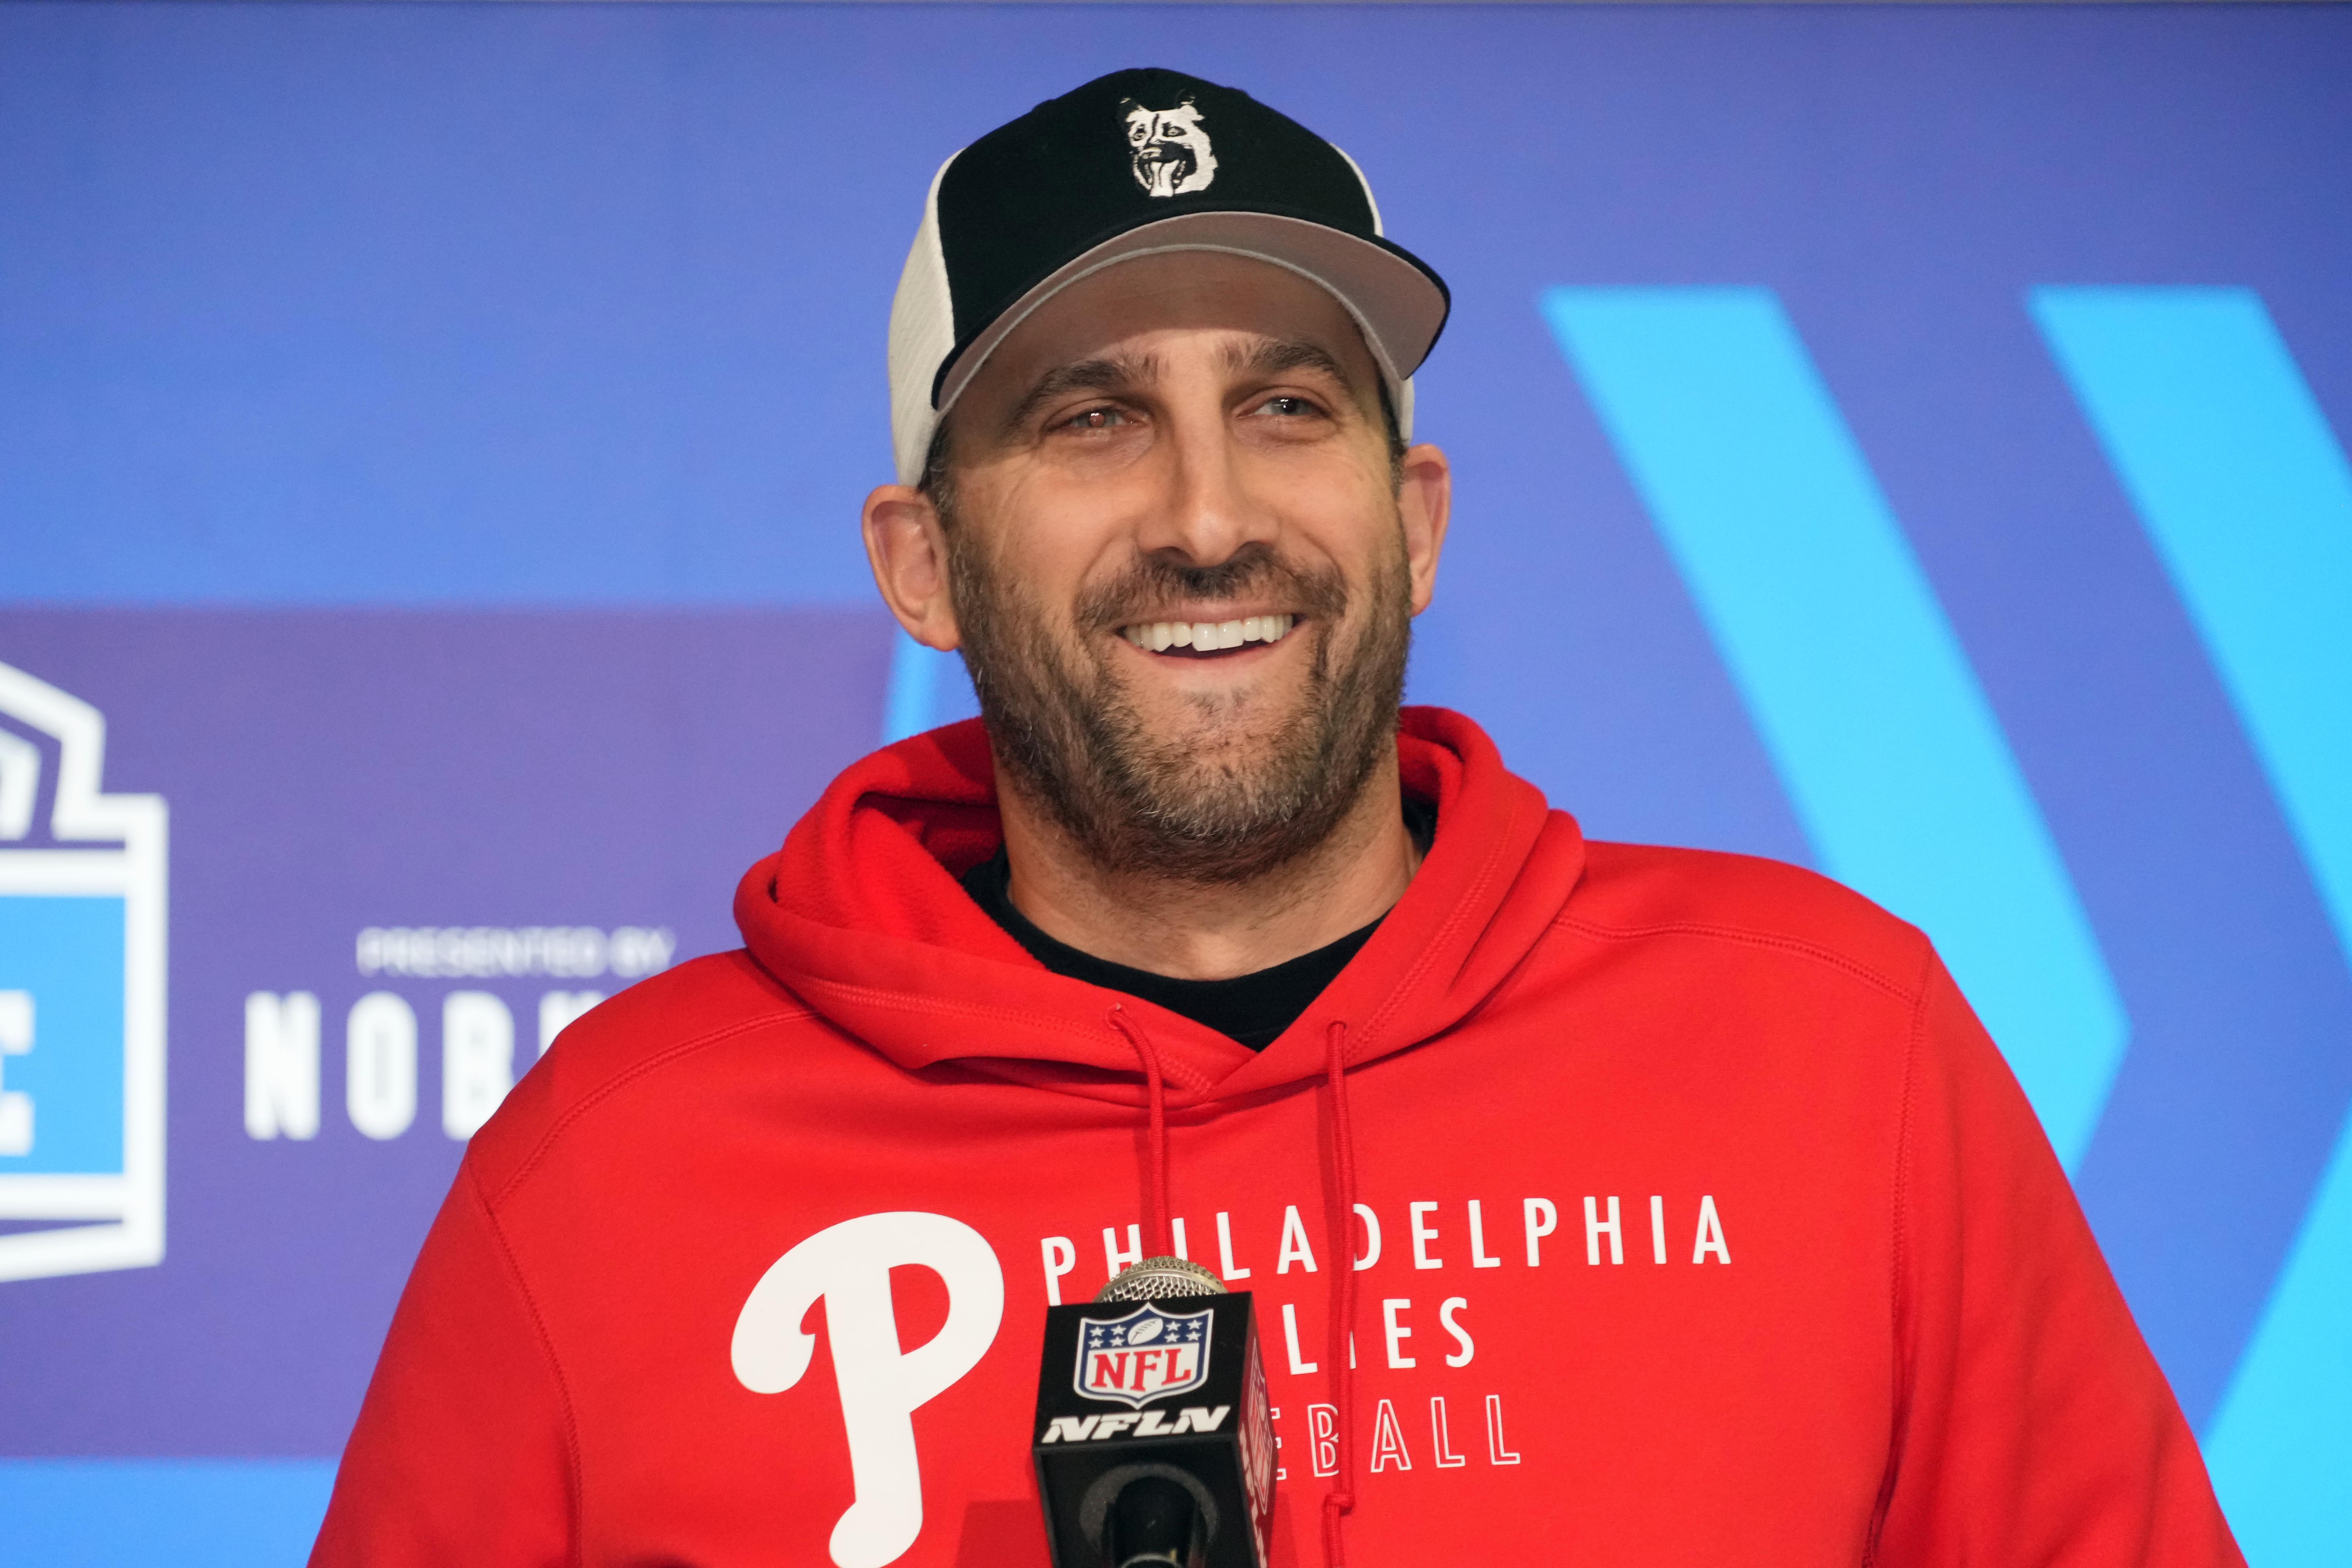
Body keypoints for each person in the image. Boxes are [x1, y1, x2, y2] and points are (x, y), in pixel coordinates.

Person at [310, 68, 2241, 1568]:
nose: (1209, 514)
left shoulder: (1831, 1044)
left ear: (1413, 517)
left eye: (1288, 405)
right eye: (1090, 417)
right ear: (923, 561)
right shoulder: (613, 1165)